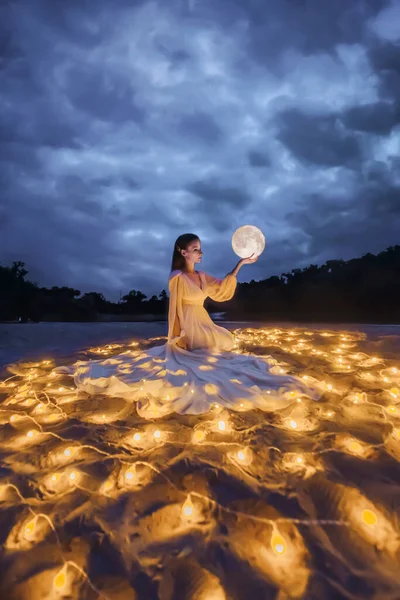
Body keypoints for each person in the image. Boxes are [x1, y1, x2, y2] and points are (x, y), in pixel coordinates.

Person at [55, 233, 321, 417]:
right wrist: (176, 336)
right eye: (194, 249)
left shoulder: (202, 276)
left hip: (203, 320)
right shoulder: (177, 277)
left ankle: (205, 347)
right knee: (206, 357)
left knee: (227, 342)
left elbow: (222, 290)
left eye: (199, 248)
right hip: (189, 324)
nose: (199, 252)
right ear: (182, 252)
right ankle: (191, 348)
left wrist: (240, 263)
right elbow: (175, 309)